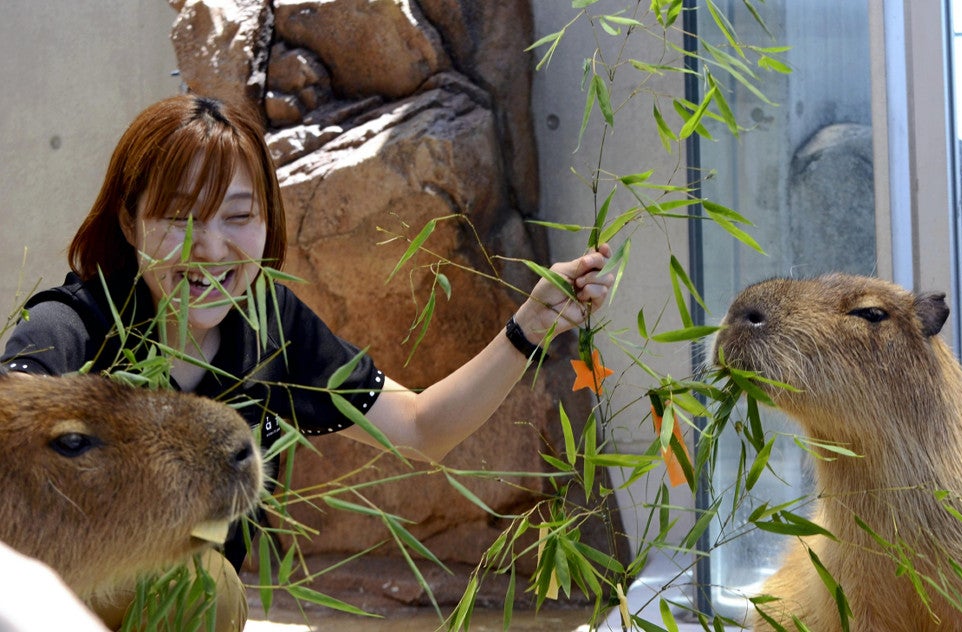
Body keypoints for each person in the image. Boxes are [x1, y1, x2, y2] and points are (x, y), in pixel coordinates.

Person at [0, 94, 613, 631]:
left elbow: (424, 429)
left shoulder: (271, 328)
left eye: (238, 216)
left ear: (268, 221)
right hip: (60, 588)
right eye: (179, 217)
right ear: (129, 221)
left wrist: (530, 328)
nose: (209, 248)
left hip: (190, 606)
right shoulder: (71, 328)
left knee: (202, 587)